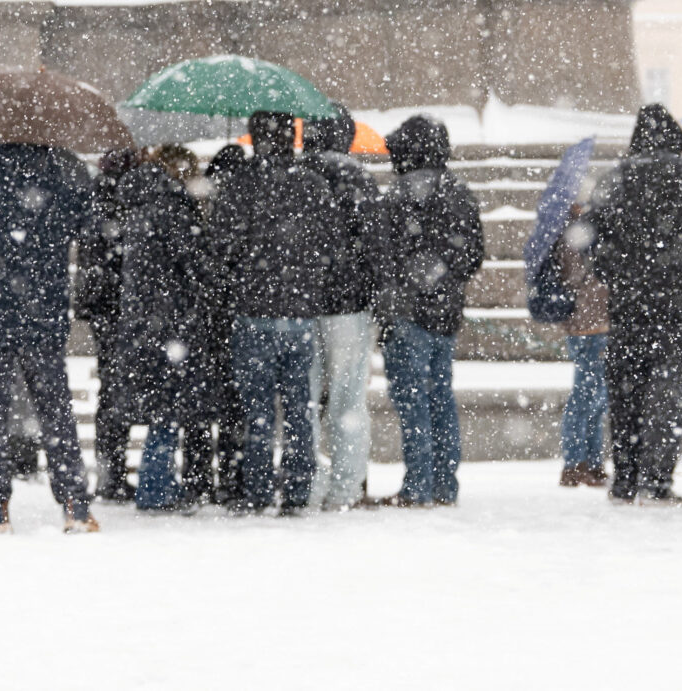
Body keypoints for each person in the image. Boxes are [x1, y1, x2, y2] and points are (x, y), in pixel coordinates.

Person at [0, 134, 100, 533]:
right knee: (55, 408)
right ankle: (75, 504)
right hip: (44, 307)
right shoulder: (64, 164)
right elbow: (92, 226)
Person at [208, 112, 342, 515]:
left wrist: (241, 277)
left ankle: (258, 488)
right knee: (299, 408)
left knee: (258, 410)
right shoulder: (313, 185)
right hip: (298, 312)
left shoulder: (239, 185)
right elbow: (331, 246)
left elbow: (221, 247)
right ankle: (298, 489)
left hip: (253, 311)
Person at [589, 103, 682, 506]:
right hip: (677, 307)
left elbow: (596, 244)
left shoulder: (615, 179)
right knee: (667, 392)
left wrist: (620, 275)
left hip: (629, 307)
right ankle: (657, 479)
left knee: (626, 393)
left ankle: (626, 477)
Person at [367, 114, 485, 507]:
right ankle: (444, 484)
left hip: (407, 314)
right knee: (440, 399)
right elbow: (472, 257)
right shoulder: (460, 193)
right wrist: (442, 278)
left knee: (413, 403)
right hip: (445, 315)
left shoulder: (397, 197)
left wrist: (403, 287)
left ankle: (418, 485)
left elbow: (382, 259)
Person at [115, 146, 214, 513]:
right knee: (169, 409)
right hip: (171, 322)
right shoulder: (172, 210)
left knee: (162, 408)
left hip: (144, 321)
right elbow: (196, 264)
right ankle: (155, 487)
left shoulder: (139, 208)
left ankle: (154, 484)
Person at [303, 110, 384, 510]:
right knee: (349, 402)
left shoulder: (298, 175)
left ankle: (310, 484)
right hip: (349, 307)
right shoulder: (359, 178)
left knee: (305, 400)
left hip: (302, 304)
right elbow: (376, 245)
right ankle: (347, 488)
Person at [189, 143, 251, 506]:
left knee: (198, 405)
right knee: (233, 405)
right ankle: (231, 477)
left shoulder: (201, 203)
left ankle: (198, 479)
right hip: (234, 314)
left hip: (202, 316)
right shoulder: (246, 202)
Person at [77, 149, 139, 502]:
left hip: (105, 305)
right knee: (117, 392)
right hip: (117, 306)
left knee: (112, 392)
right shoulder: (115, 200)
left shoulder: (96, 197)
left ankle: (110, 471)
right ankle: (112, 472)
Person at [554, 199, 612, 488]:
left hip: (597, 320)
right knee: (585, 395)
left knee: (596, 396)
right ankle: (576, 461)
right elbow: (574, 276)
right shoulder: (570, 232)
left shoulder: (585, 229)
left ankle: (591, 460)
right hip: (585, 322)